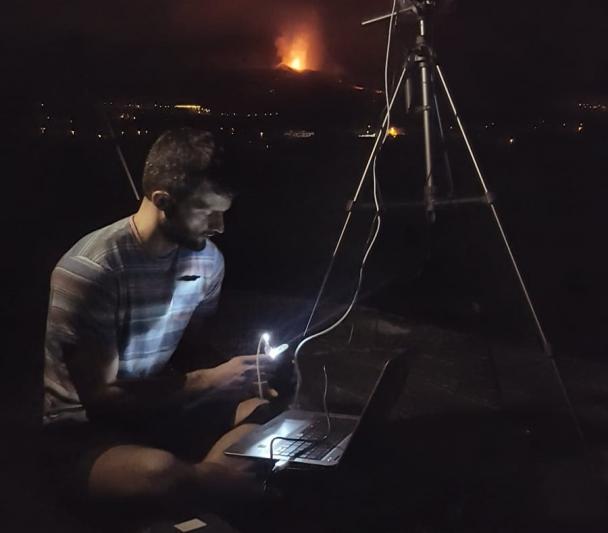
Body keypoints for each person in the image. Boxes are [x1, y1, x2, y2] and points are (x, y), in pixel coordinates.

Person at [42, 128, 281, 510]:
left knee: (264, 412)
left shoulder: (207, 261)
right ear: (163, 200)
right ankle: (216, 479)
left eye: (223, 212)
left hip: (161, 409)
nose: (219, 226)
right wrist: (210, 380)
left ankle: (205, 481)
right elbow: (101, 398)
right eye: (207, 212)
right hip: (86, 431)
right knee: (156, 471)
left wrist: (241, 379)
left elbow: (191, 352)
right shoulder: (93, 270)